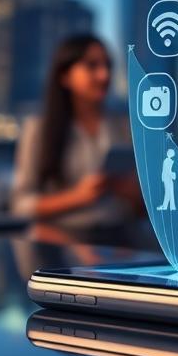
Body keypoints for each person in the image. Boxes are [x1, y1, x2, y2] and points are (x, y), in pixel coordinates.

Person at [11, 34, 141, 244]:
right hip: (61, 242)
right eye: (92, 66)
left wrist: (131, 192)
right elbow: (21, 205)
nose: (104, 75)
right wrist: (78, 197)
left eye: (107, 65)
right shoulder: (38, 129)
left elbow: (142, 207)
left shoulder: (125, 126)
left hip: (120, 240)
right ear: (65, 75)